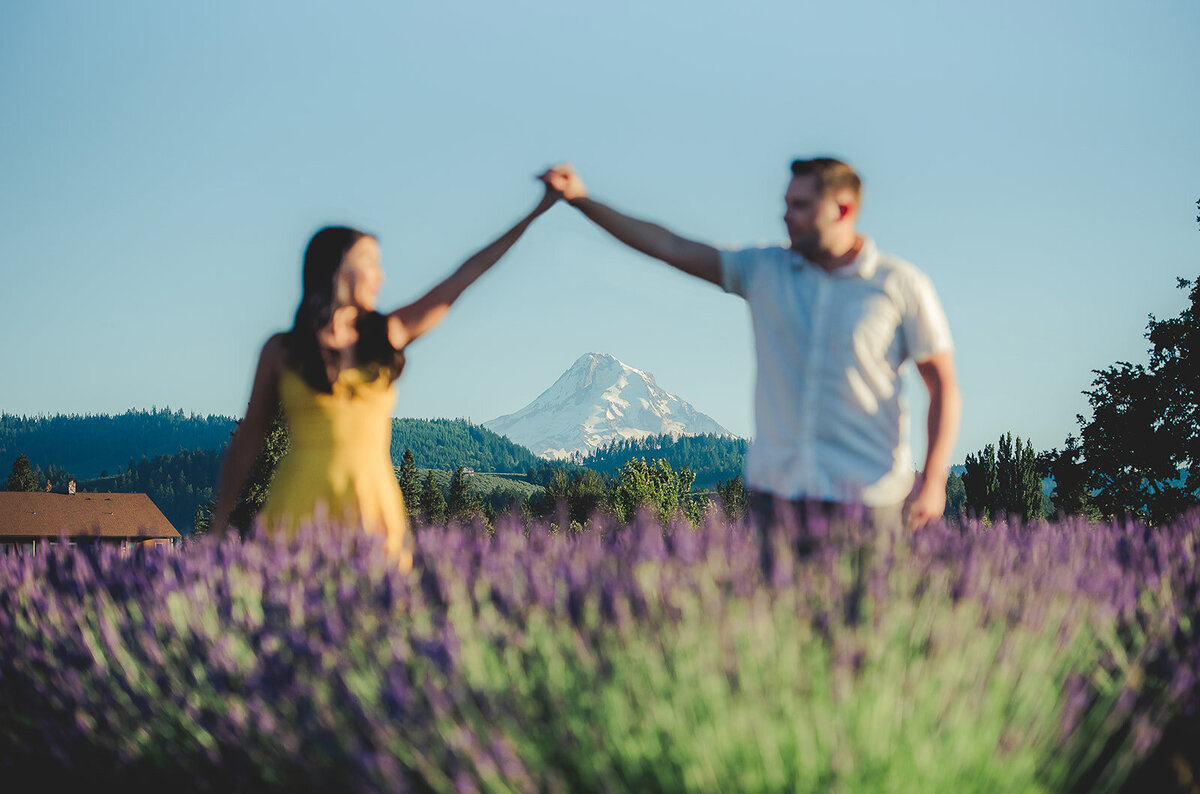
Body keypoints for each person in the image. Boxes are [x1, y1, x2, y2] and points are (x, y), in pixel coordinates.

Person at [540, 158, 961, 533]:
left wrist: (936, 480)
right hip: (778, 497)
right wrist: (581, 200)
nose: (786, 216)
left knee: (864, 622)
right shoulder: (763, 270)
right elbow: (668, 246)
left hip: (871, 500)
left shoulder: (900, 285)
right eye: (786, 204)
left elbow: (942, 386)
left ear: (843, 208)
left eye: (800, 206)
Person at [210, 182, 561, 570]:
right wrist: (218, 528)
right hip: (297, 506)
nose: (382, 277)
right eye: (372, 264)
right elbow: (247, 443)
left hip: (371, 506)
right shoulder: (280, 350)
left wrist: (534, 213)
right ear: (339, 270)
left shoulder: (386, 336)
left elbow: (466, 275)